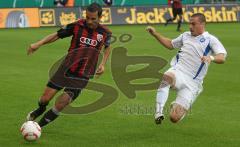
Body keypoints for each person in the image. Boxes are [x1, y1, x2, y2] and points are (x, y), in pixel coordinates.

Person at [26, 2, 112, 128]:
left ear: (100, 17)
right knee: (44, 99)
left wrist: (103, 64)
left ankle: (37, 127)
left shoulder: (105, 32)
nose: (89, 21)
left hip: (82, 75)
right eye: (87, 17)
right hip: (66, 69)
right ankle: (40, 109)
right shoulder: (77, 25)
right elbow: (56, 35)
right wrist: (38, 44)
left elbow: (108, 47)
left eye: (93, 19)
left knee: (62, 103)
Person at [146, 13, 227, 124]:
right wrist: (155, 34)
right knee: (166, 78)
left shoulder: (210, 39)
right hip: (178, 71)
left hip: (193, 83)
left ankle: (179, 106)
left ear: (202, 24)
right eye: (189, 23)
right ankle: (158, 112)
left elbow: (222, 57)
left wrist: (211, 58)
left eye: (193, 24)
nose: (190, 26)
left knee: (174, 118)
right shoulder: (185, 35)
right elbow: (170, 44)